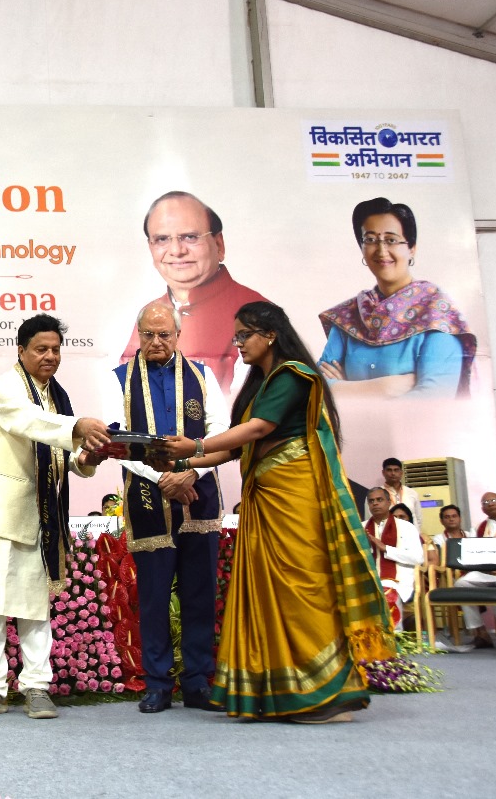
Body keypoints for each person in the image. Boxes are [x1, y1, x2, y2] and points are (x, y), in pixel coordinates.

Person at [156, 300, 393, 723]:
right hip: (266, 499)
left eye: (244, 335)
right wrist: (182, 461)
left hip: (294, 497)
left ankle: (327, 695)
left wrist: (195, 444)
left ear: (270, 335)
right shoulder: (261, 385)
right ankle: (284, 694)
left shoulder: (292, 376)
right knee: (272, 595)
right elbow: (236, 448)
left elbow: (259, 429)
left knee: (302, 586)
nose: (239, 343)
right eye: (236, 335)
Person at [0, 314, 110, 719]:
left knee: (34, 604)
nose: (50, 356)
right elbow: (30, 422)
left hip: (38, 514)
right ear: (21, 351)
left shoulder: (56, 398)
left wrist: (86, 458)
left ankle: (37, 686)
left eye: (55, 349)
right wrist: (77, 426)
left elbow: (57, 454)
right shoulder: (4, 388)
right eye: (41, 349)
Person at [109, 301, 229, 714]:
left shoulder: (203, 376)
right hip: (148, 497)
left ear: (178, 334)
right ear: (138, 335)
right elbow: (118, 442)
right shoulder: (118, 380)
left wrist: (191, 473)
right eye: (148, 334)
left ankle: (197, 682)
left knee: (200, 593)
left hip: (199, 493)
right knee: (154, 596)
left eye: (164, 334)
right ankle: (158, 684)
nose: (156, 341)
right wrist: (162, 478)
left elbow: (221, 432)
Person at [319, 198, 476, 398]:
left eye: (391, 240)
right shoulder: (349, 317)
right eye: (370, 239)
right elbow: (316, 387)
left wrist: (343, 391)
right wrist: (383, 388)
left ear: (412, 248)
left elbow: (432, 400)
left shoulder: (437, 314)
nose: (381, 250)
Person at [119, 192, 267, 392]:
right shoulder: (147, 314)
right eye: (162, 239)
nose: (176, 250)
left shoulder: (258, 314)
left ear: (219, 245)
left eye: (190, 237)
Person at [362, 489, 423, 627]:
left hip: (398, 579)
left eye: (379, 500)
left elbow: (418, 558)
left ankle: (394, 636)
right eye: (371, 501)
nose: (375, 503)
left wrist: (386, 549)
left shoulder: (406, 527)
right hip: (367, 578)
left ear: (389, 502)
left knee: (386, 590)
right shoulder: (361, 528)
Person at [452, 491, 496, 648]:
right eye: (485, 503)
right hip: (486, 572)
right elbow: (472, 554)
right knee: (461, 584)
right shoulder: (478, 528)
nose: (490, 504)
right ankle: (480, 632)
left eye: (493, 500)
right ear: (482, 509)